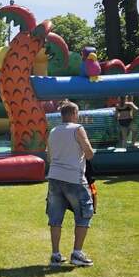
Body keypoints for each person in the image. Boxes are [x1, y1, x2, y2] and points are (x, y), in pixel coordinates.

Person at [46, 100, 95, 267]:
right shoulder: (77, 129)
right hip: (74, 178)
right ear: (74, 114)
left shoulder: (53, 131)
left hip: (54, 177)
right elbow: (89, 153)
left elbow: (49, 157)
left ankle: (55, 255)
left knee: (55, 218)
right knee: (84, 214)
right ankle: (77, 253)